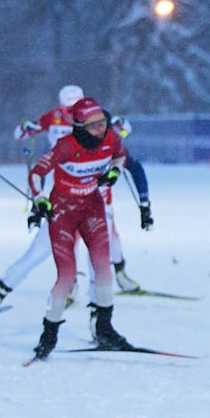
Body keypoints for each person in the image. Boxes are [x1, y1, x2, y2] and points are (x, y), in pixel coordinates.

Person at [0, 86, 153, 320]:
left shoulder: (106, 136)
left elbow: (131, 161)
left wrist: (144, 205)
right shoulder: (65, 141)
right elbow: (36, 165)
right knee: (40, 251)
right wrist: (39, 201)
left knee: (100, 257)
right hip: (65, 203)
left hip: (98, 206)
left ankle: (101, 313)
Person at [25, 98, 140, 359]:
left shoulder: (111, 138)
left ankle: (104, 329)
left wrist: (114, 172)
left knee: (103, 269)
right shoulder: (66, 146)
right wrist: (39, 199)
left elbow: (121, 156)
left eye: (102, 122)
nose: (101, 129)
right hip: (63, 212)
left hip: (92, 207)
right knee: (66, 277)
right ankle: (49, 334)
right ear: (79, 126)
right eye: (93, 125)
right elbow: (36, 173)